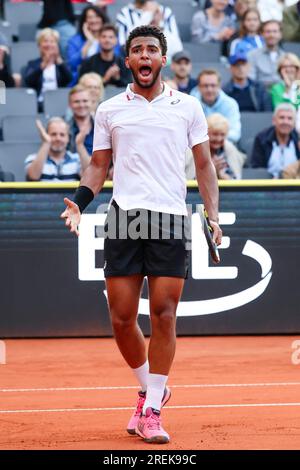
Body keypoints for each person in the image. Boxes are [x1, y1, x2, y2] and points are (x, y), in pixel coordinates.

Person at [60, 25, 222, 444]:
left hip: (170, 218)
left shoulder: (187, 107)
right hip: (124, 219)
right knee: (121, 319)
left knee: (165, 314)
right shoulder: (110, 109)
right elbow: (99, 165)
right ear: (128, 61)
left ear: (162, 59)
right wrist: (81, 198)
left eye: (152, 49)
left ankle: (151, 409)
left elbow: (204, 166)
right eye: (138, 50)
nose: (145, 55)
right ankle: (153, 386)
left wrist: (213, 214)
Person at [25, 117, 90, 181]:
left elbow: (89, 176)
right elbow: (33, 177)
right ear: (46, 135)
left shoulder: (77, 159)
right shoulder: (33, 158)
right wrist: (46, 143)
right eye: (53, 134)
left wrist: (80, 144)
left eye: (62, 135)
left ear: (68, 138)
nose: (58, 138)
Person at [23, 28, 72, 112]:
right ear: (39, 45)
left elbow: (69, 79)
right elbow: (29, 81)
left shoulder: (62, 64)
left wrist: (59, 60)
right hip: (39, 104)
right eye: (45, 41)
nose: (49, 44)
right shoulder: (33, 63)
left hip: (60, 102)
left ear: (57, 45)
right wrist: (43, 65)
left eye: (52, 41)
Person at [186, 113, 246, 179]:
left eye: (222, 135)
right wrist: (208, 170)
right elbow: (189, 181)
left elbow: (236, 183)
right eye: (215, 134)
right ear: (205, 133)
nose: (218, 139)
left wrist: (220, 175)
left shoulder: (229, 149)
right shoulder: (193, 150)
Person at [116, 0, 182, 59]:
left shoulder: (165, 12)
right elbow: (124, 46)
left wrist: (159, 28)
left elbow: (177, 48)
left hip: (165, 62)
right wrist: (147, 16)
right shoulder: (124, 13)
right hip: (136, 60)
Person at [190, 69, 241, 143]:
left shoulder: (230, 104)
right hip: (197, 145)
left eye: (213, 85)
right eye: (205, 86)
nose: (209, 89)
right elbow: (187, 132)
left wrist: (216, 139)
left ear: (219, 86)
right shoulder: (191, 104)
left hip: (223, 144)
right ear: (198, 87)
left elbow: (235, 133)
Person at [250, 102, 300, 177]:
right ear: (274, 120)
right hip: (268, 184)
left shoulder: (298, 139)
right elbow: (257, 169)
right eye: (282, 118)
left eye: (290, 119)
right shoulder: (261, 138)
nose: (285, 122)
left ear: (294, 123)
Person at [67, 5, 110, 85]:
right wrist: (89, 42)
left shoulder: (110, 39)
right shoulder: (74, 40)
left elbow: (114, 58)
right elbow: (72, 64)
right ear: (84, 21)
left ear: (102, 19)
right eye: (90, 17)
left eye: (97, 16)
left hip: (106, 81)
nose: (93, 20)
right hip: (80, 82)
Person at [247, 20, 285, 88]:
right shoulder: (252, 55)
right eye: (268, 32)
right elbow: (250, 80)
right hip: (261, 95)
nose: (271, 35)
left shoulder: (285, 57)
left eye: (275, 31)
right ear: (262, 34)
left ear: (280, 34)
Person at [67, 85, 95, 155]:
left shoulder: (102, 125)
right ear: (70, 104)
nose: (81, 105)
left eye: (85, 101)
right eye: (76, 102)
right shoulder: (64, 127)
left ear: (92, 102)